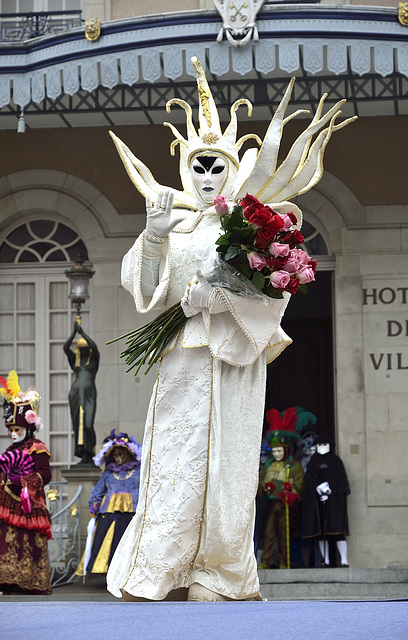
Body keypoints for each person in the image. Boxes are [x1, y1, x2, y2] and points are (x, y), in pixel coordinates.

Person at [106, 57, 354, 602]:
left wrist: (218, 298)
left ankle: (217, 574)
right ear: (184, 170)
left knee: (228, 466)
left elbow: (274, 295)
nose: (207, 178)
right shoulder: (172, 224)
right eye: (198, 167)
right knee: (176, 461)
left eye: (217, 168)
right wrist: (151, 237)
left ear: (233, 171)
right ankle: (162, 569)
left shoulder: (252, 226)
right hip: (181, 360)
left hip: (234, 359)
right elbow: (140, 288)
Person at [0, 370, 52, 595]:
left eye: (17, 430)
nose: (12, 434)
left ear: (28, 427)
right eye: (10, 430)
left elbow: (45, 474)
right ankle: (8, 582)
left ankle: (28, 583)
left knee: (26, 543)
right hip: (7, 506)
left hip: (28, 507)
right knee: (7, 542)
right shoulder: (10, 451)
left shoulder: (37, 447)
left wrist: (22, 481)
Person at [76, 430, 141, 576]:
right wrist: (94, 504)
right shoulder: (108, 472)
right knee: (109, 543)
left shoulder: (139, 470)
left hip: (133, 514)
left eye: (121, 454)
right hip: (109, 514)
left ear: (128, 453)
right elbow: (98, 491)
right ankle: (111, 573)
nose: (118, 458)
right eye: (115, 455)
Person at [257, 407, 305, 570]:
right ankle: (266, 561)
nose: (277, 454)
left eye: (280, 450)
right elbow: (260, 484)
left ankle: (284, 561)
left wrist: (290, 488)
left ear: (286, 450)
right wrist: (265, 486)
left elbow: (300, 485)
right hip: (270, 505)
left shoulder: (294, 466)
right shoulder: (267, 466)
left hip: (287, 506)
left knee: (285, 535)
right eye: (275, 451)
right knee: (269, 533)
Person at [302, 439, 350, 567]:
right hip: (318, 503)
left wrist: (330, 491)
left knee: (338, 531)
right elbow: (309, 482)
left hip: (334, 503)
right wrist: (318, 489)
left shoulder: (336, 461)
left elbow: (341, 481)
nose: (322, 447)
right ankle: (326, 560)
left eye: (324, 444)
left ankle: (344, 560)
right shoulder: (313, 462)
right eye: (319, 444)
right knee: (321, 532)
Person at [63, 320, 100, 464]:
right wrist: (74, 333)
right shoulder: (76, 360)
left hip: (89, 392)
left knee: (88, 424)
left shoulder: (93, 361)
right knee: (77, 423)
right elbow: (66, 348)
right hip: (76, 393)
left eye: (85, 348)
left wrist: (82, 332)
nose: (83, 350)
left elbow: (95, 348)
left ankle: (91, 451)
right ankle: (83, 454)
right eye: (81, 347)